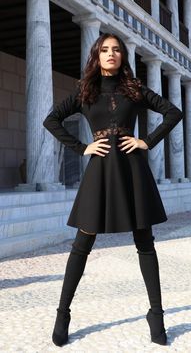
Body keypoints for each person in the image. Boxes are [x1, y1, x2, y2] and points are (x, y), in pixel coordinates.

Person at [43, 32, 183, 347]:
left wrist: (146, 141)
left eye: (116, 49)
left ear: (122, 56)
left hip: (134, 171)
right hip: (100, 172)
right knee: (82, 244)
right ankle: (63, 313)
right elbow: (52, 120)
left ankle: (156, 315)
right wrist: (82, 148)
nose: (111, 54)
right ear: (97, 55)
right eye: (105, 49)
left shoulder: (134, 89)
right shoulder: (85, 90)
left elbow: (173, 113)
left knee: (145, 243)